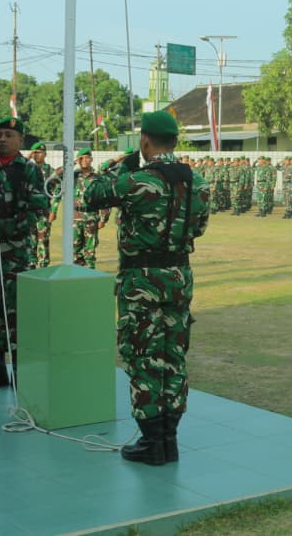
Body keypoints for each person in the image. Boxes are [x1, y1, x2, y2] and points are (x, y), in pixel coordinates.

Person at [85, 111, 209, 465]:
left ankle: (151, 441)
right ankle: (169, 439)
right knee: (173, 358)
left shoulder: (138, 180)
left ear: (145, 141)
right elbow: (198, 229)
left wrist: (121, 166)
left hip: (142, 282)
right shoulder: (197, 181)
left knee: (143, 357)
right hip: (179, 277)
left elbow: (90, 194)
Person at [0, 114, 49, 392]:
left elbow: (39, 209)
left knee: (15, 312)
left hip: (14, 255)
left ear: (21, 140)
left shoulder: (27, 170)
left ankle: (19, 368)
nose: (2, 139)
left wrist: (11, 226)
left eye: (8, 135)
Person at [29, 142, 58, 268]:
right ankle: (30, 266)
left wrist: (54, 210)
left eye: (39, 152)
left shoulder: (51, 171)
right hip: (28, 212)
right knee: (29, 241)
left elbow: (57, 191)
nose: (37, 155)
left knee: (43, 240)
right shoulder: (27, 169)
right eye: (34, 152)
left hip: (43, 212)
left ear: (45, 154)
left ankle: (43, 266)